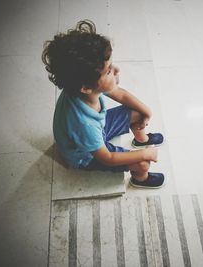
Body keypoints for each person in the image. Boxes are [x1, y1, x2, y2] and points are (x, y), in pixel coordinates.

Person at [42, 19, 164, 188]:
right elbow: (107, 158)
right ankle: (140, 179)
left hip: (97, 131)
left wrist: (147, 112)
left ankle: (141, 139)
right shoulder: (84, 124)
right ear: (86, 88)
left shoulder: (85, 84)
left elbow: (120, 94)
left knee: (137, 111)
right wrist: (144, 154)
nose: (116, 70)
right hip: (86, 155)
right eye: (109, 71)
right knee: (143, 163)